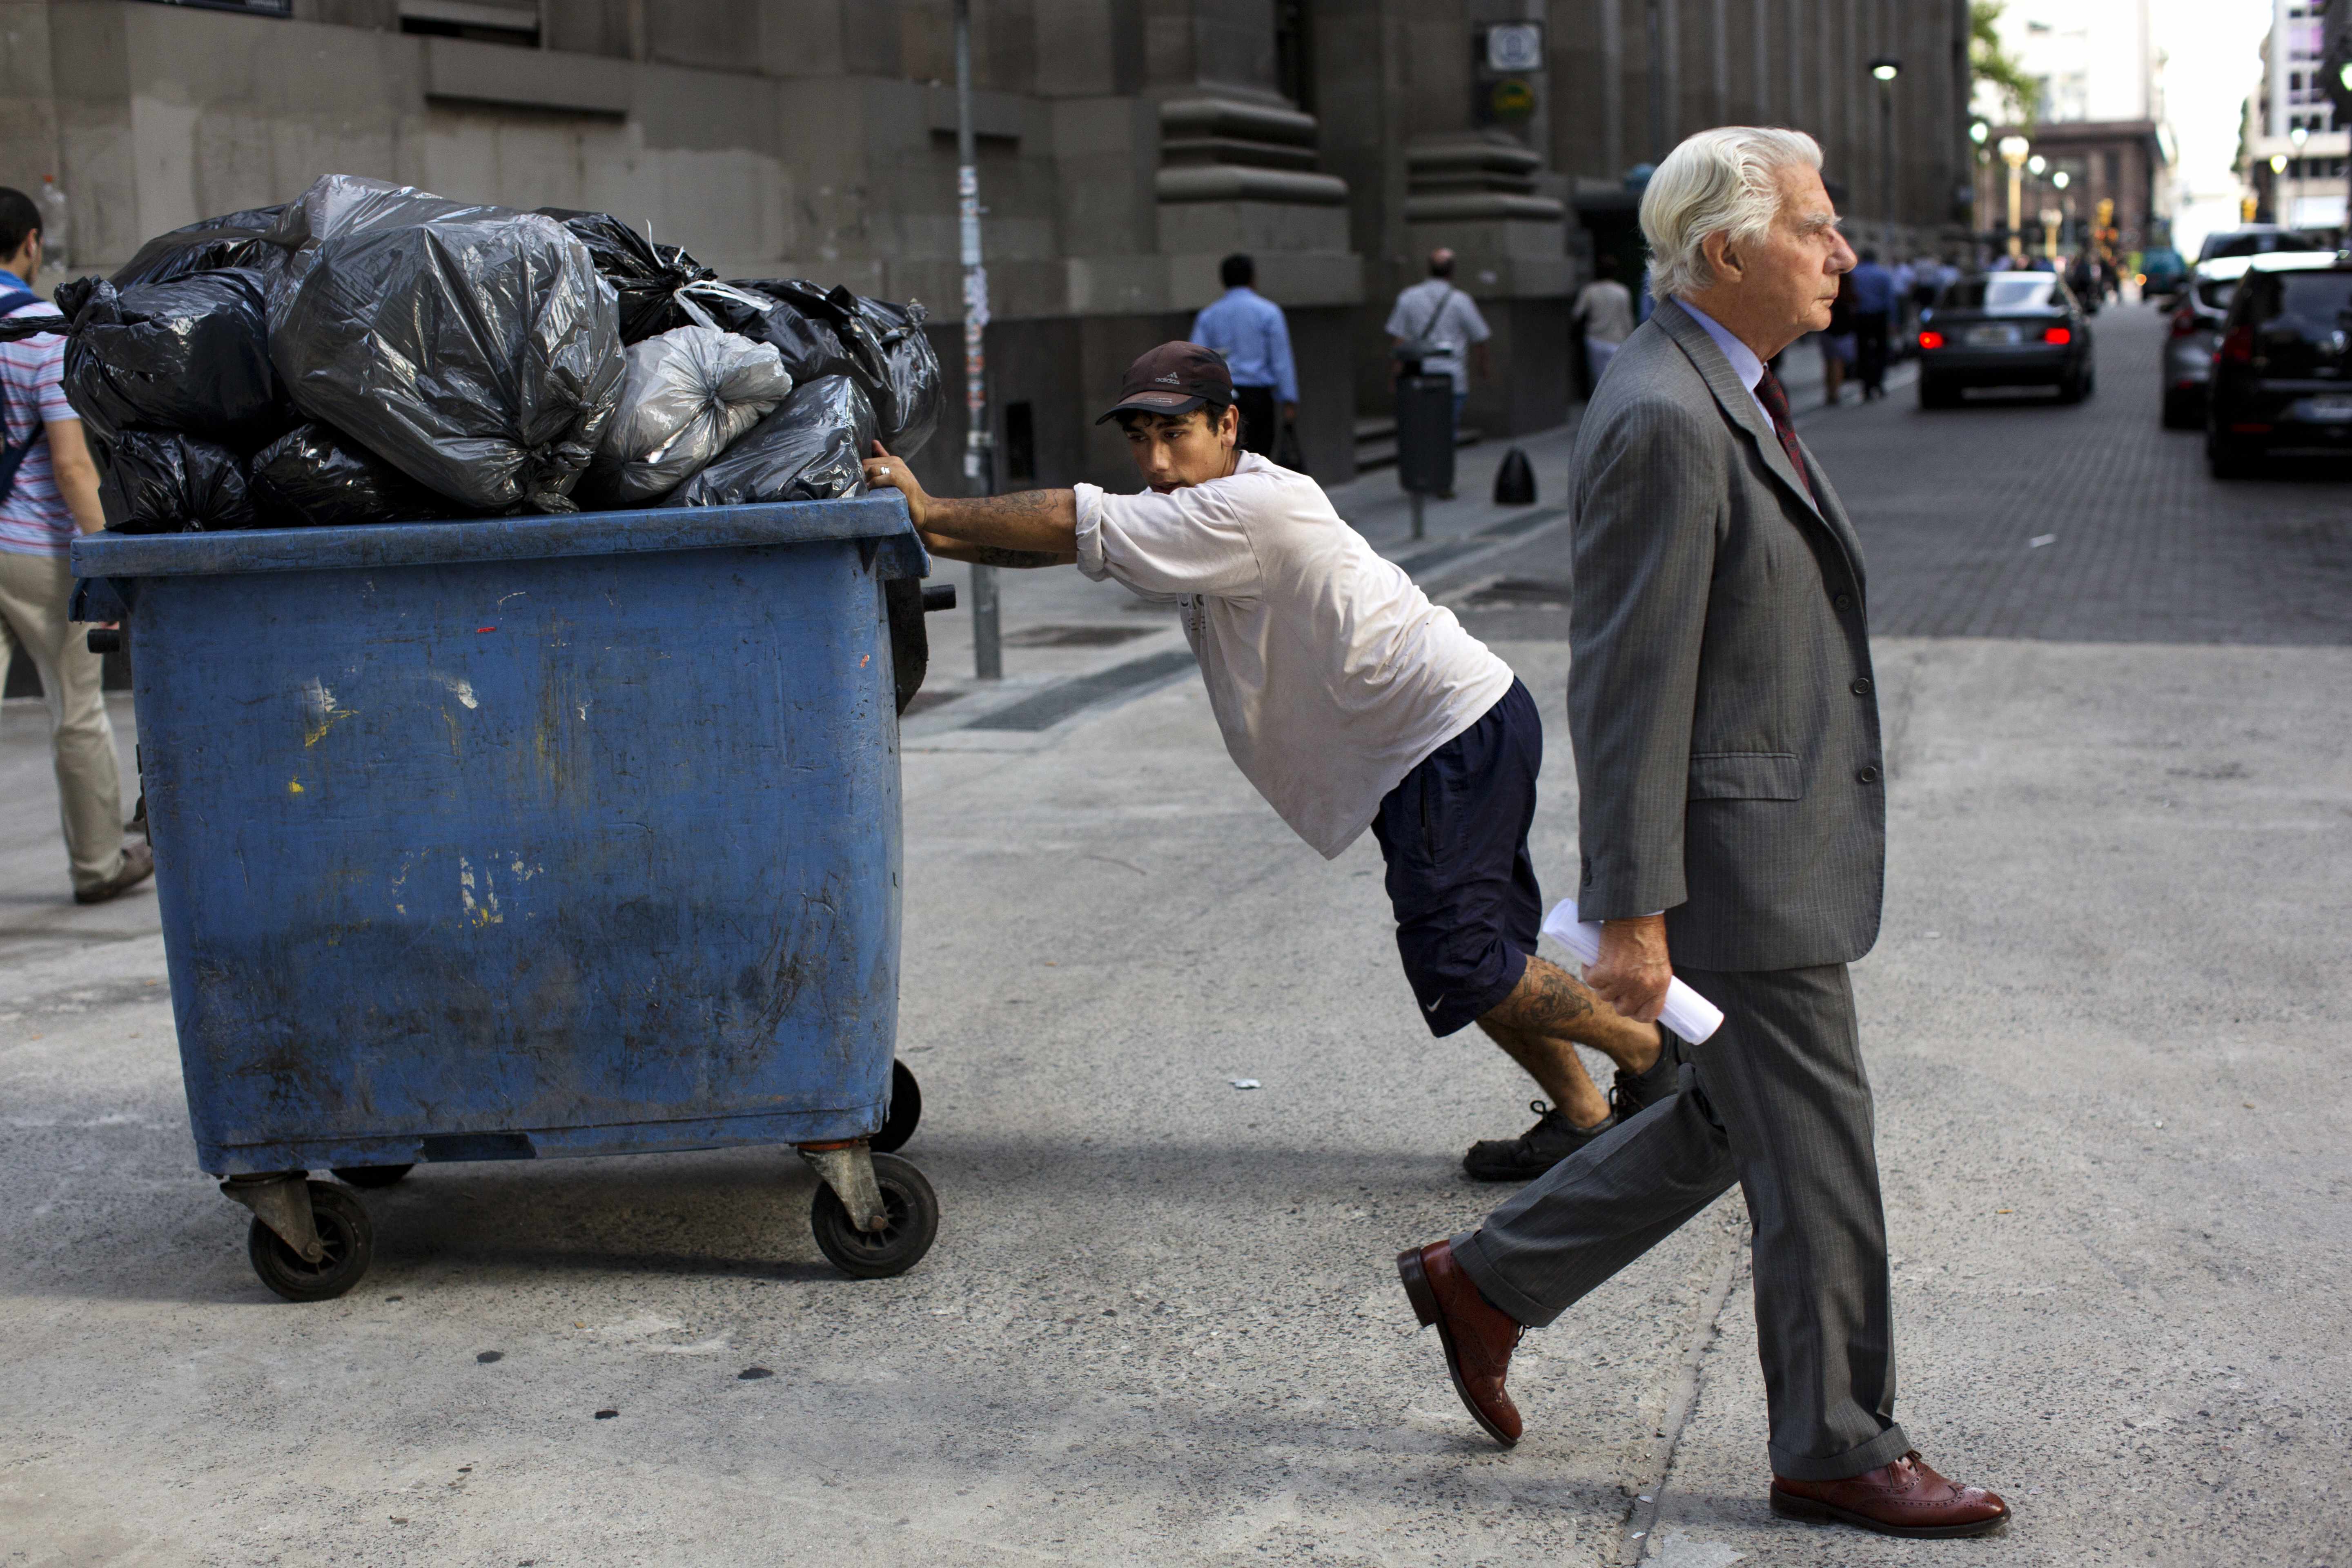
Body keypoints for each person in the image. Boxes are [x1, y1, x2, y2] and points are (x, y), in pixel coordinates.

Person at [1393, 127, 2009, 1540]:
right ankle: (1840, 1444)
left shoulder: (1730, 389)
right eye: (1816, 228)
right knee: (1824, 1151)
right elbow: (1628, 681)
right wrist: (1633, 912)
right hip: (1742, 871)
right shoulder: (1668, 415)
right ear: (1725, 252)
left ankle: (1488, 1281)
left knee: (1745, 1119)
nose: (1843, 254)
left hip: (1766, 846)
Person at [862, 343, 1679, 1181]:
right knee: (1482, 956)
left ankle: (1650, 1057)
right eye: (1139, 438)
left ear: (1228, 426)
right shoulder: (1202, 508)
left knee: (1464, 959)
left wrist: (932, 510)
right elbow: (1069, 546)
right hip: (1429, 743)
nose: (1155, 462)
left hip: (1445, 736)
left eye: (1174, 434)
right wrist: (930, 525)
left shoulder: (1249, 510)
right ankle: (1583, 1118)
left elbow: (1074, 520)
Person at [0, 187, 151, 906]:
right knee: (76, 708)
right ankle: (97, 865)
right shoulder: (37, 333)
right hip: (36, 553)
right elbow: (70, 464)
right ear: (30, 242)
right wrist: (107, 562)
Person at [1385, 248, 1491, 463]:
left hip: (1417, 374)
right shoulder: (1461, 300)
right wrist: (1483, 369)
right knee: (1446, 429)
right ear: (1452, 272)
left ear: (1428, 269)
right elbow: (1480, 338)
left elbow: (1399, 342)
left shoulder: (1408, 297)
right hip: (1451, 375)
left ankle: (1421, 470)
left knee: (1419, 427)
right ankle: (1442, 474)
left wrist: (1394, 375)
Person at [1188, 254, 1297, 460]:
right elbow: (1281, 361)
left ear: (1223, 280)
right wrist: (1289, 399)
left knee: (1227, 457)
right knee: (1259, 457)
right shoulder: (1269, 312)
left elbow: (1196, 357)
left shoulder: (1209, 315)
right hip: (1259, 396)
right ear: (1252, 279)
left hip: (1222, 395)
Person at [1571, 254, 1636, 390]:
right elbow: (1627, 320)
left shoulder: (1590, 290)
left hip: (1595, 340)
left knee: (1598, 381)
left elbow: (1577, 314)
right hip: (1617, 341)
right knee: (1617, 380)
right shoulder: (1622, 292)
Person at [1847, 247, 1894, 399]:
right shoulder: (1883, 275)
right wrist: (1894, 321)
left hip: (1860, 316)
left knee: (1863, 351)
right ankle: (1878, 382)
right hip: (1879, 316)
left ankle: (1866, 386)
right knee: (1881, 350)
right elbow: (1889, 300)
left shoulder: (1855, 274)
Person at [1818, 268, 1855, 405]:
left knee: (1830, 361)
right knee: (1837, 362)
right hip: (1842, 328)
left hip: (1830, 327)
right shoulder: (1848, 290)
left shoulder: (1830, 288)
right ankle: (1835, 392)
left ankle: (1831, 391)